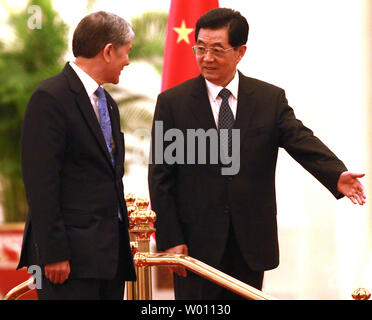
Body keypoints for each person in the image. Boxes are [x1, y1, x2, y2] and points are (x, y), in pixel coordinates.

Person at [148, 8, 366, 300]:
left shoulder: (268, 99)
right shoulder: (172, 103)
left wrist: (335, 174)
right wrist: (171, 239)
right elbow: (161, 176)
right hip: (195, 245)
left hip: (248, 242)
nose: (206, 57)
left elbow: (299, 139)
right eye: (200, 48)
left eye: (217, 49)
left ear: (240, 52)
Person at [17, 11, 136, 300]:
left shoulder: (108, 104)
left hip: (108, 259)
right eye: (125, 53)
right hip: (68, 260)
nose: (128, 61)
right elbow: (40, 182)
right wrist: (53, 252)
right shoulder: (50, 97)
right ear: (108, 51)